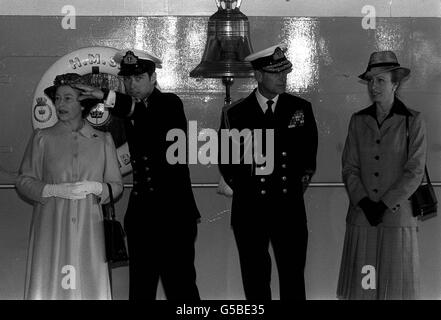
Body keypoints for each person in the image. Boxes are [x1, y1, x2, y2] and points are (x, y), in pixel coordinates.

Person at [76, 49, 201, 300]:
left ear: (153, 78)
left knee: (181, 287)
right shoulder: (124, 111)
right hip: (143, 216)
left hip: (174, 215)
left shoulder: (169, 104)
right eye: (127, 79)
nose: (131, 84)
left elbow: (149, 120)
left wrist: (107, 95)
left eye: (138, 78)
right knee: (141, 289)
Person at [218, 44, 318, 300]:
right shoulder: (235, 113)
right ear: (259, 75)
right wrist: (250, 191)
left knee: (293, 280)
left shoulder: (300, 108)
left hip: (289, 209)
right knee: (255, 282)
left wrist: (289, 189)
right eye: (275, 73)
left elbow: (308, 159)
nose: (282, 78)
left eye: (284, 72)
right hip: (250, 211)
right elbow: (227, 163)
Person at [16, 73, 123, 300]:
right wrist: (52, 190)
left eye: (67, 98)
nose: (58, 104)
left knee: (89, 284)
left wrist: (97, 187)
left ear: (82, 103)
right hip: (51, 225)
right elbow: (24, 181)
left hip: (90, 227)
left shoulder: (102, 139)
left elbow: (116, 186)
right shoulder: (42, 138)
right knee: (49, 283)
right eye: (57, 98)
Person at [337, 51, 427, 300]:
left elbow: (414, 171)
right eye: (370, 80)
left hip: (397, 218)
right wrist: (365, 202)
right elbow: (349, 168)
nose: (373, 86)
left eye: (380, 80)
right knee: (364, 288)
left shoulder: (413, 121)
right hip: (363, 216)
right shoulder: (358, 121)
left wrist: (385, 204)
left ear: (395, 84)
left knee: (396, 289)